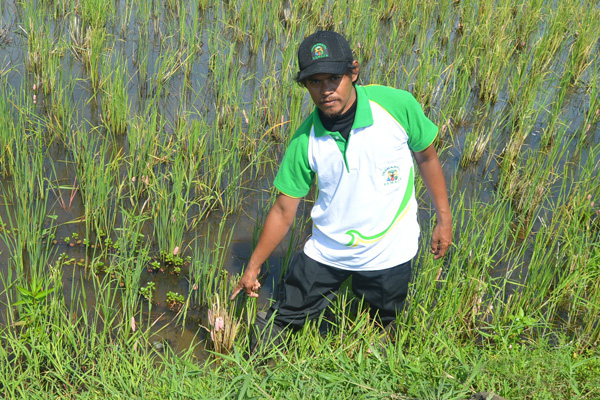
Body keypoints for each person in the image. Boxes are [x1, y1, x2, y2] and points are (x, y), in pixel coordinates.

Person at [230, 30, 452, 348]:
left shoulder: (396, 106)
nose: (326, 91)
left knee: (380, 328)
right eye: (314, 82)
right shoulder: (304, 141)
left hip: (389, 252)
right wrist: (253, 267)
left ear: (353, 72)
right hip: (328, 249)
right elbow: (283, 210)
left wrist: (443, 218)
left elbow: (427, 157)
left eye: (334, 78)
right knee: (282, 321)